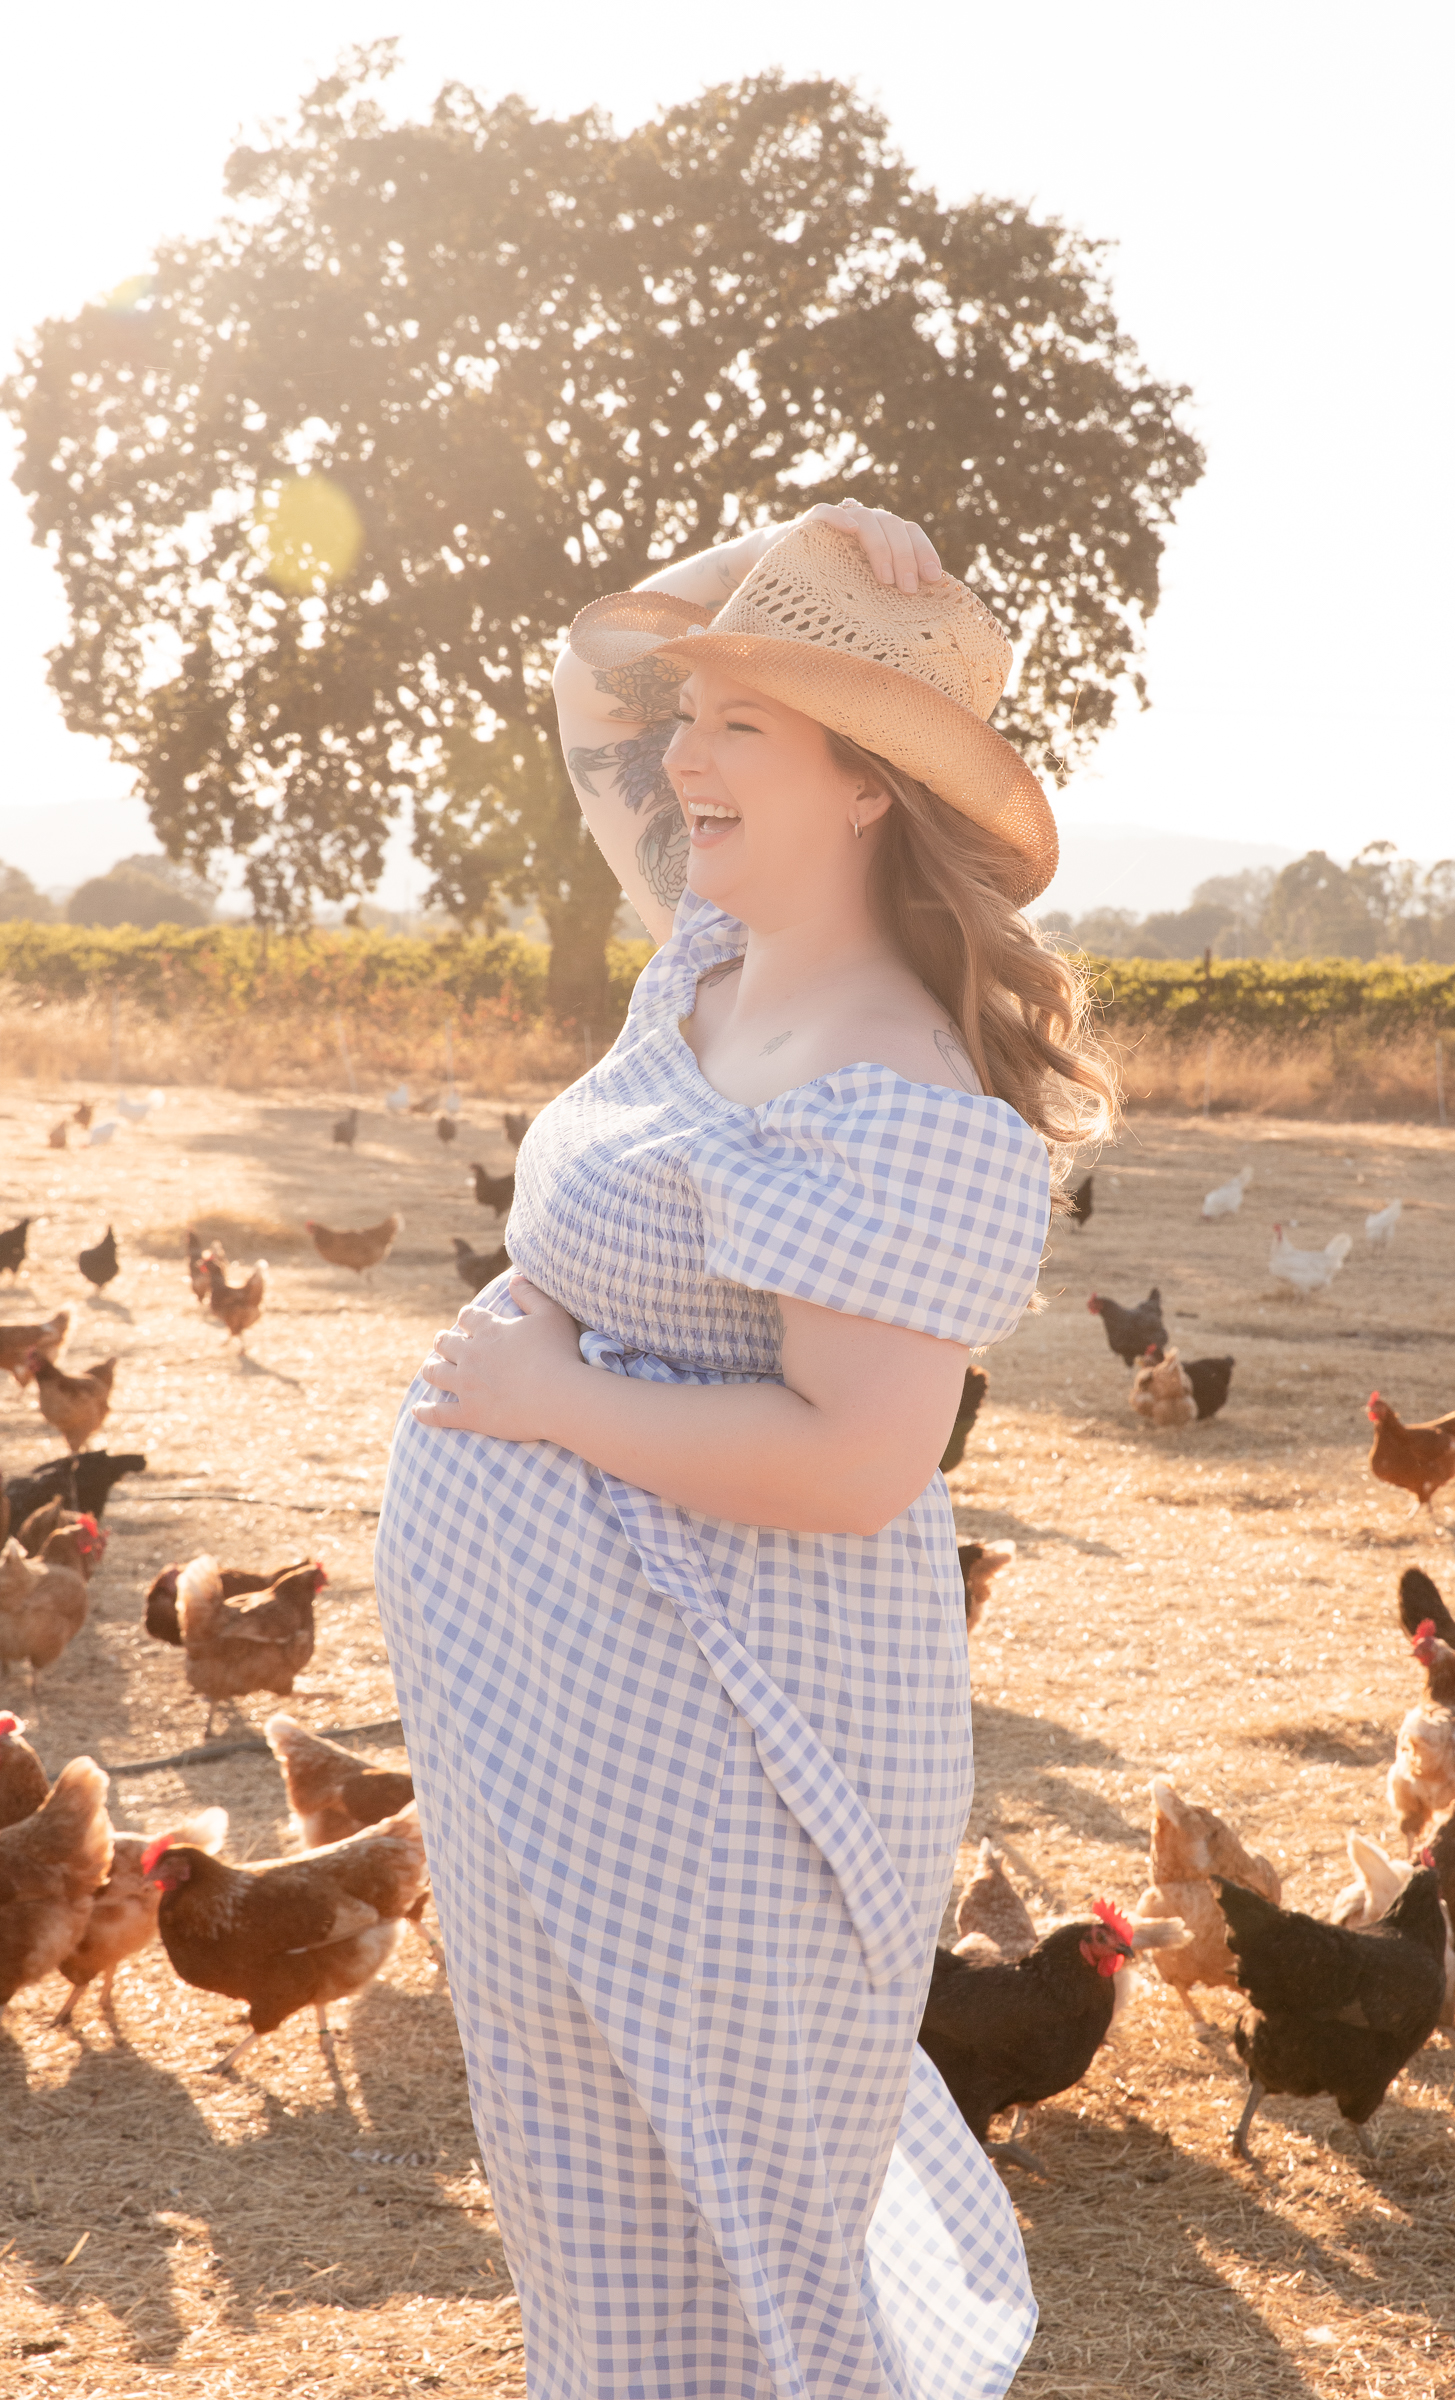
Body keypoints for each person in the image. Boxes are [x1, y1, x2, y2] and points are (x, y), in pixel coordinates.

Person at [373, 500, 1112, 2400]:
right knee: (602, 2220)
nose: (679, 756)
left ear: (868, 787)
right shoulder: (716, 946)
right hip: (561, 1740)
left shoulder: (895, 1083)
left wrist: (542, 1401)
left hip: (729, 1769)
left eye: (743, 729)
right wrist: (794, 542)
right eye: (696, 720)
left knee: (725, 2248)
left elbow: (859, 1464)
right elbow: (588, 673)